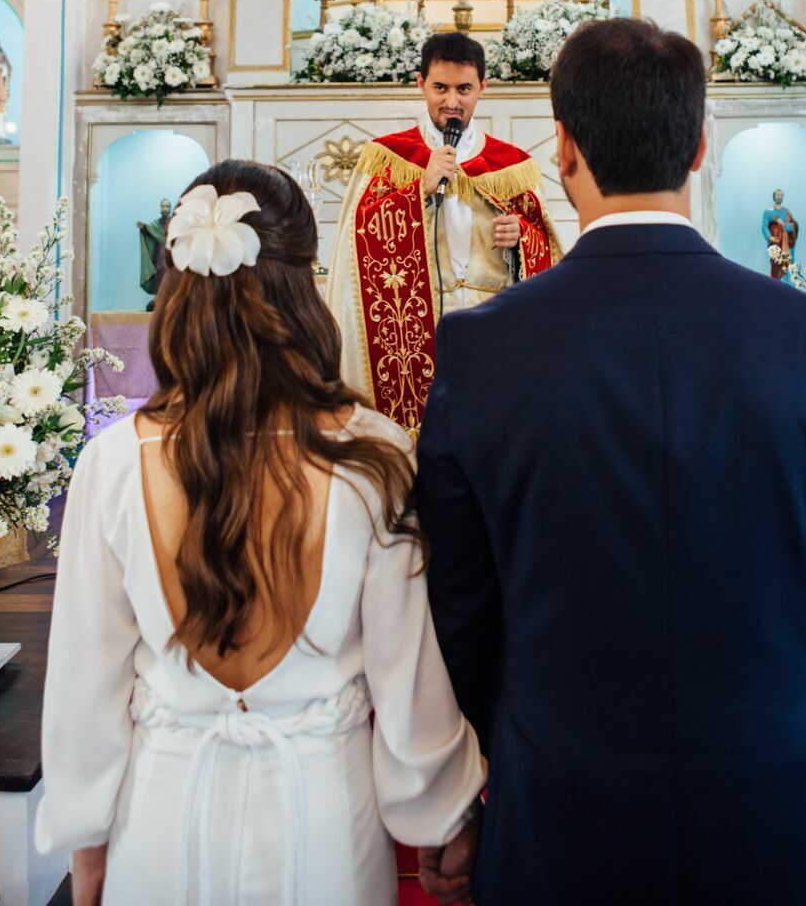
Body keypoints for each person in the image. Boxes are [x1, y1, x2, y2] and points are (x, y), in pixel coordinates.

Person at [417, 18, 806, 906]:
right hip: (778, 801)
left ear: (561, 151)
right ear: (700, 147)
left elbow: (461, 602)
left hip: (558, 807)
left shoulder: (482, 351)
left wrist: (509, 757)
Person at [37, 160, 484, 906]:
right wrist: (440, 816)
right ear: (304, 284)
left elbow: (85, 688)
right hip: (325, 825)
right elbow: (408, 680)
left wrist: (87, 845)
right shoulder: (372, 456)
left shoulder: (113, 462)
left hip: (162, 814)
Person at [327, 32, 559, 433]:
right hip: (419, 322)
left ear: (483, 88)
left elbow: (550, 253)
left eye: (464, 89)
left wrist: (520, 236)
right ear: (421, 84)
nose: (452, 102)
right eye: (440, 88)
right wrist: (418, 189)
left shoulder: (513, 165)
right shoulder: (387, 156)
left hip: (492, 323)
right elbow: (356, 241)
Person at [137, 197, 172, 309]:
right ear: (160, 209)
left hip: (171, 256)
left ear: (170, 208)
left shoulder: (174, 223)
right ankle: (159, 299)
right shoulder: (156, 224)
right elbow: (149, 230)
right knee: (160, 276)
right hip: (159, 256)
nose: (165, 208)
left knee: (171, 276)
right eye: (163, 206)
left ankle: (170, 300)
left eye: (167, 206)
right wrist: (143, 227)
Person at [762, 187, 799, 279]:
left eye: (781, 195)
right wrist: (770, 237)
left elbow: (793, 226)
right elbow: (764, 226)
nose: (779, 197)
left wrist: (784, 225)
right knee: (776, 266)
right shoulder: (768, 212)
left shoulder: (787, 212)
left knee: (787, 267)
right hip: (776, 243)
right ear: (774, 197)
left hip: (787, 244)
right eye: (777, 195)